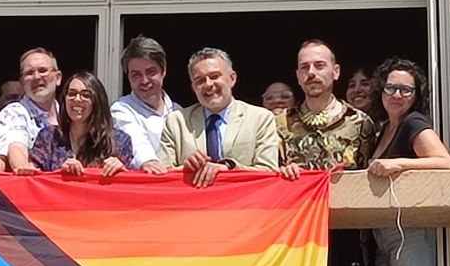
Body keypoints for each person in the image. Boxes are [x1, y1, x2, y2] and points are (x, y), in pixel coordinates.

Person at [367, 57, 450, 266]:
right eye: (391, 87)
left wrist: (401, 164)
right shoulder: (383, 130)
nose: (397, 95)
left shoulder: (413, 123)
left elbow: (445, 163)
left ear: (415, 96)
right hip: (385, 239)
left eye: (406, 89)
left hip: (410, 236)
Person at [159, 47, 279, 187]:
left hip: (242, 204)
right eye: (200, 80)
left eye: (215, 76)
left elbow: (268, 172)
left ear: (232, 78)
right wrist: (186, 170)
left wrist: (230, 167)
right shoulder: (176, 122)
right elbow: (163, 176)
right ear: (193, 87)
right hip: (193, 203)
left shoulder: (261, 119)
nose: (208, 84)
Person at [278, 40, 375, 178]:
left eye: (319, 66)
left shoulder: (360, 123)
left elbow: (368, 178)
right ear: (298, 76)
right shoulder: (281, 123)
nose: (311, 73)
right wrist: (282, 172)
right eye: (304, 67)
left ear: (336, 72)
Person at [26, 71, 134, 176]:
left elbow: (125, 187)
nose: (77, 99)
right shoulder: (48, 137)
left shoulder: (119, 141)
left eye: (85, 95)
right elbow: (34, 176)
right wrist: (59, 173)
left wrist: (121, 169)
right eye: (72, 94)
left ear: (97, 101)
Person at [111, 36, 181, 174]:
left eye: (150, 72)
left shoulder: (179, 111)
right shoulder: (121, 109)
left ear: (164, 70)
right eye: (136, 75)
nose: (144, 81)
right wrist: (148, 161)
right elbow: (134, 139)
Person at [0, 48, 63, 174]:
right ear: (22, 83)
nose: (37, 77)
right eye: (29, 73)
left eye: (43, 70)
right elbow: (16, 145)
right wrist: (24, 168)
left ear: (58, 78)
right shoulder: (15, 112)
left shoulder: (68, 113)